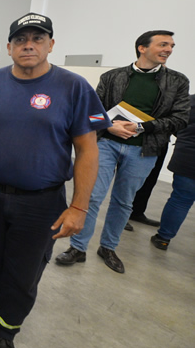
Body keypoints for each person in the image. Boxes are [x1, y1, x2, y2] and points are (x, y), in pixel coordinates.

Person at [0, 12, 108, 348]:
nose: (29, 44)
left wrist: (79, 208)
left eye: (38, 38)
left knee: (23, 271)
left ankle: (6, 331)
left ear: (51, 44)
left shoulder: (73, 87)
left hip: (41, 200)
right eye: (21, 39)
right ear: (8, 47)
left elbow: (88, 151)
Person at [56, 30, 190, 273]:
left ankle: (108, 247)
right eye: (163, 44)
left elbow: (180, 118)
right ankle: (78, 247)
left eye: (171, 46)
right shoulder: (112, 77)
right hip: (106, 144)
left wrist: (142, 126)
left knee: (123, 201)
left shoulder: (178, 81)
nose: (169, 49)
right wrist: (110, 125)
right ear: (142, 47)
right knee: (93, 196)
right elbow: (92, 111)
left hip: (145, 150)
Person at [151, 94, 195, 250]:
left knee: (180, 200)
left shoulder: (189, 102)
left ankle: (163, 238)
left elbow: (176, 125)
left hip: (187, 158)